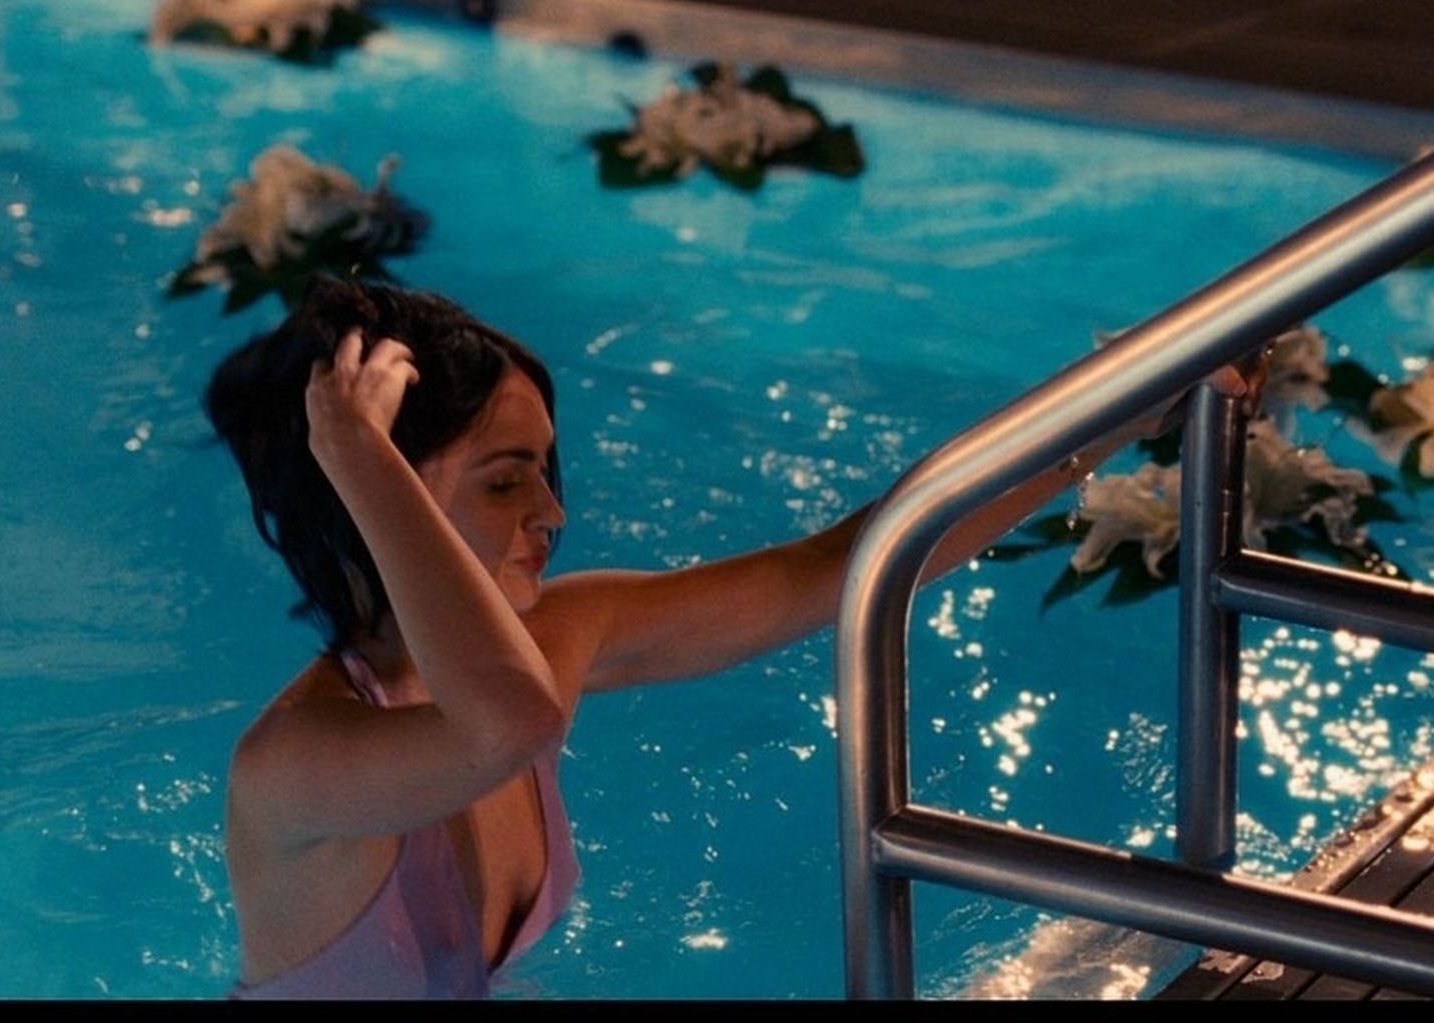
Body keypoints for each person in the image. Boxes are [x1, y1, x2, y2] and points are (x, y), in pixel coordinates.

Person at [206, 276, 1245, 998]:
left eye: (544, 472)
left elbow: (842, 564)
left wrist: (1117, 411)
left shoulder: (560, 633)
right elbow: (507, 724)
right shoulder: (296, 762)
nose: (552, 512)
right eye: (505, 479)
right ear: (377, 495)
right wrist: (356, 453)